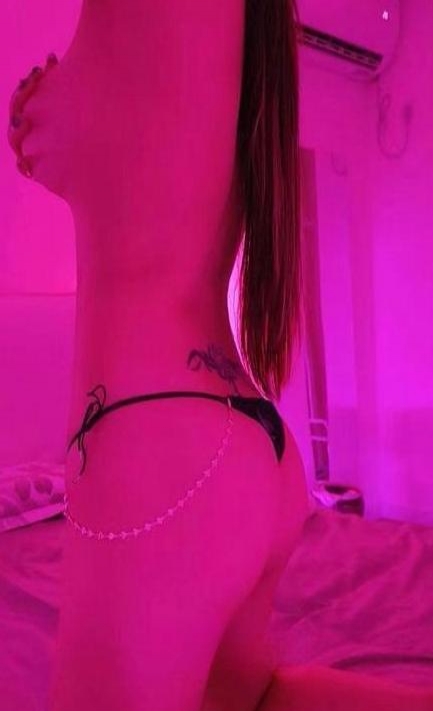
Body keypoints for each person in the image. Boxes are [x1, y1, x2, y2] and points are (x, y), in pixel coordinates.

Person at [7, 1, 433, 710]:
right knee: (254, 697)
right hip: (247, 442)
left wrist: (51, 109)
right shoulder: (226, 36)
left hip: (152, 442)